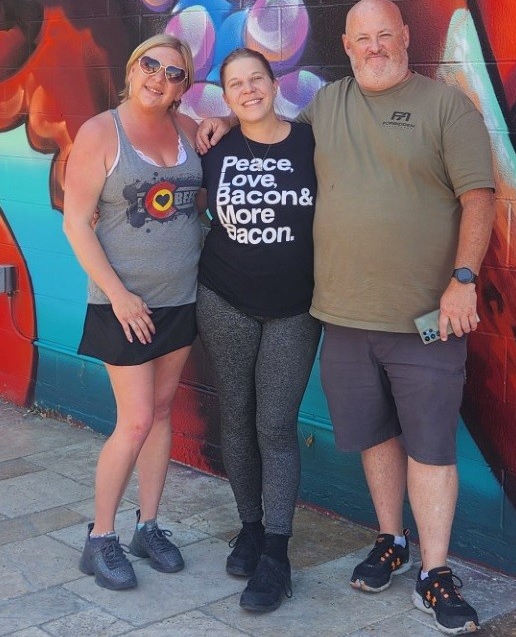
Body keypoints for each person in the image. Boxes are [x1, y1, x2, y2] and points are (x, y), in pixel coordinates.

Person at [198, 0, 495, 635]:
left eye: (385, 34)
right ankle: (391, 540)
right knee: (373, 437)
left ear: (406, 37)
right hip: (342, 317)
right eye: (363, 37)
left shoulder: (446, 106)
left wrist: (463, 280)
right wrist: (225, 118)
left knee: (431, 445)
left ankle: (435, 571)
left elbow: (478, 197)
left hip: (426, 318)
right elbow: (264, 119)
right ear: (347, 43)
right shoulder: (326, 106)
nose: (375, 46)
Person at [64, 34, 201, 591]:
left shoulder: (190, 130)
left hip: (181, 299)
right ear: (132, 65)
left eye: (174, 73)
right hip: (125, 306)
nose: (159, 78)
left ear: (183, 87)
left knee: (163, 412)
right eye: (151, 64)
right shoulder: (101, 132)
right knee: (137, 419)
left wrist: (226, 126)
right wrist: (118, 294)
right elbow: (75, 223)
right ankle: (100, 538)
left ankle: (149, 525)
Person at [196, 48, 320, 613]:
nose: (247, 91)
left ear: (275, 84)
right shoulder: (214, 144)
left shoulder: (310, 142)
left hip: (295, 308)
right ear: (224, 96)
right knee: (237, 417)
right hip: (224, 299)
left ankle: (277, 553)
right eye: (235, 85)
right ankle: (249, 527)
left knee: (275, 424)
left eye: (256, 80)